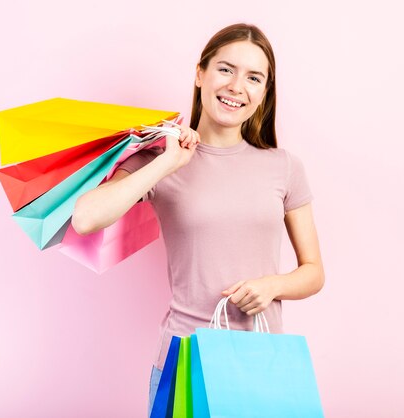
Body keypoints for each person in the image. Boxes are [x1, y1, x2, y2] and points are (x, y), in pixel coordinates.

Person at [71, 23, 325, 415]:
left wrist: (272, 285)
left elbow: (313, 272)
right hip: (184, 359)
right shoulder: (159, 159)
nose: (237, 86)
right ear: (200, 74)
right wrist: (168, 161)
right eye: (226, 69)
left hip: (260, 363)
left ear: (264, 92)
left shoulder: (285, 167)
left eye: (254, 77)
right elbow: (86, 218)